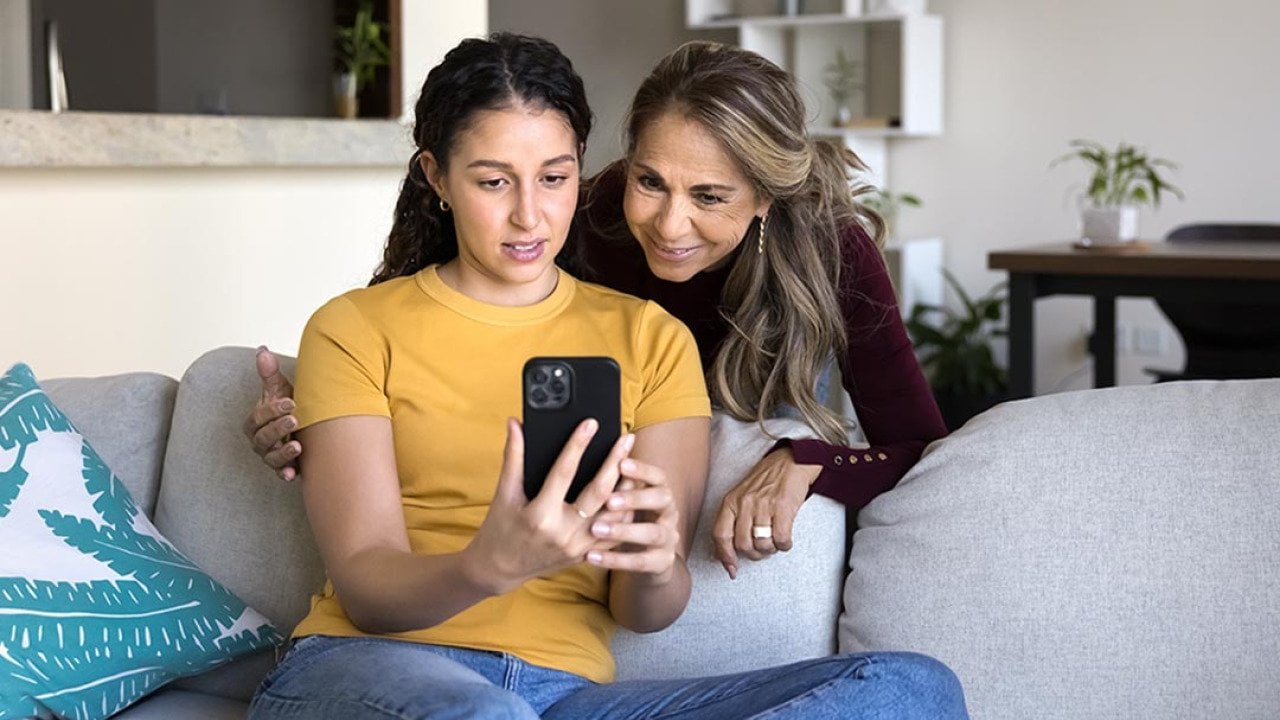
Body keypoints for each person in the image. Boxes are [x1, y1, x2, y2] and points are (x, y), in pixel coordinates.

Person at [247, 32, 967, 720]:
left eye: (554, 178)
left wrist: (656, 564)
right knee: (480, 712)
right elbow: (368, 585)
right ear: (436, 175)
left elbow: (646, 609)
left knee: (909, 690)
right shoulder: (360, 324)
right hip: (372, 668)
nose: (531, 215)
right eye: (494, 181)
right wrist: (487, 564)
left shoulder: (655, 337)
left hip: (562, 695)